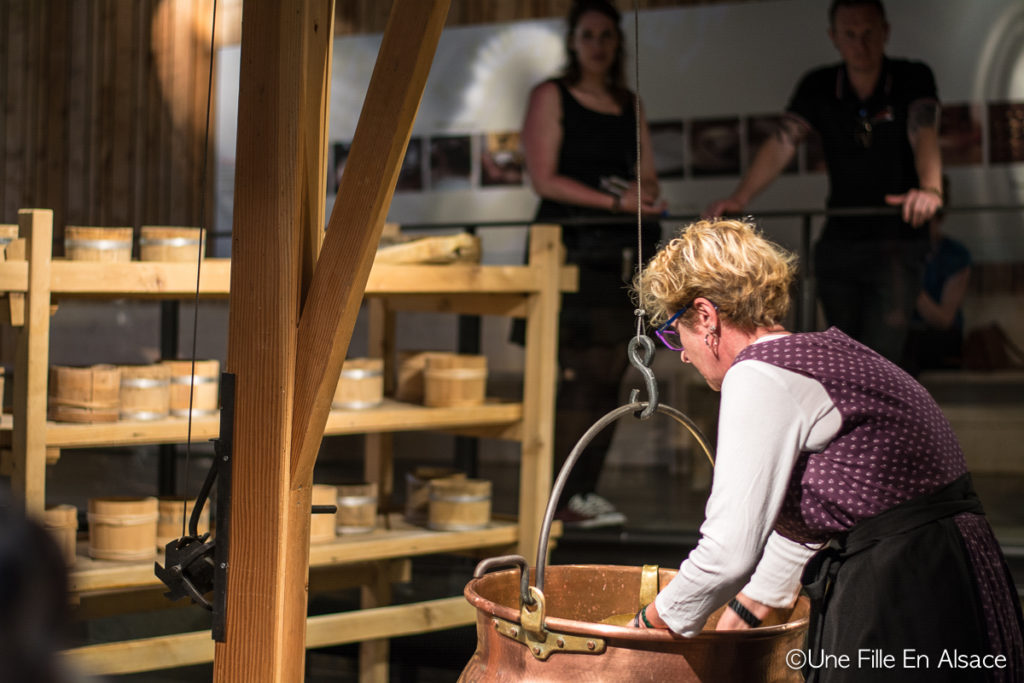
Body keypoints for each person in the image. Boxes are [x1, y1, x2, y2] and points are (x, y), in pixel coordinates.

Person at [627, 218, 1023, 683]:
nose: (683, 354)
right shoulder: (825, 351)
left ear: (707, 316)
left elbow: (726, 553)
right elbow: (813, 522)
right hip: (951, 566)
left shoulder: (758, 374)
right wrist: (748, 611)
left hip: (901, 585)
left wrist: (640, 632)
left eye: (676, 333)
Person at [704, 0, 943, 366]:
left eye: (868, 33)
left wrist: (930, 188)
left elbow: (923, 129)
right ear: (834, 37)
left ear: (885, 32)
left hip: (898, 240)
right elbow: (784, 139)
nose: (860, 44)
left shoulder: (912, 77)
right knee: (840, 355)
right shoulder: (819, 85)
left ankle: (883, 423)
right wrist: (741, 197)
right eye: (850, 34)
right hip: (840, 237)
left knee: (884, 356)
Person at [520, 0, 666, 527]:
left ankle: (578, 495)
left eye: (607, 35)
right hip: (569, 248)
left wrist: (639, 197)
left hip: (620, 253)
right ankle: (561, 497)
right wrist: (616, 201)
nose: (599, 44)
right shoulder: (552, 95)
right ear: (573, 41)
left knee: (615, 368)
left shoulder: (630, 102)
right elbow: (544, 178)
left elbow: (648, 176)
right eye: (589, 35)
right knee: (580, 371)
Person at [903, 180, 971, 375]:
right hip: (908, 335)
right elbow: (894, 317)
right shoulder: (901, 253)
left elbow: (944, 320)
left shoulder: (955, 255)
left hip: (939, 336)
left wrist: (911, 287)